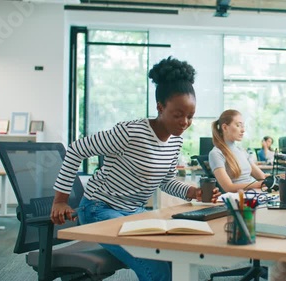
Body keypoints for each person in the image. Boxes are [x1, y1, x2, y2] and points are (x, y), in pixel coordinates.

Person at [50, 56, 220, 281]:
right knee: (154, 265)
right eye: (178, 115)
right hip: (100, 209)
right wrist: (60, 200)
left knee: (176, 254)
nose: (184, 122)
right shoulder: (131, 133)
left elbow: (166, 180)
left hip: (133, 211)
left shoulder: (175, 141)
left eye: (190, 116)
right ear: (160, 107)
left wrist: (192, 192)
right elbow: (76, 149)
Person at [209, 109, 267, 192]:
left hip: (254, 193)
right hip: (239, 198)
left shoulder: (241, 151)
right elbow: (229, 187)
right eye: (238, 125)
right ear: (225, 127)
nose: (243, 130)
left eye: (243, 126)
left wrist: (283, 177)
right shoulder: (216, 153)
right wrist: (259, 185)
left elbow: (262, 177)